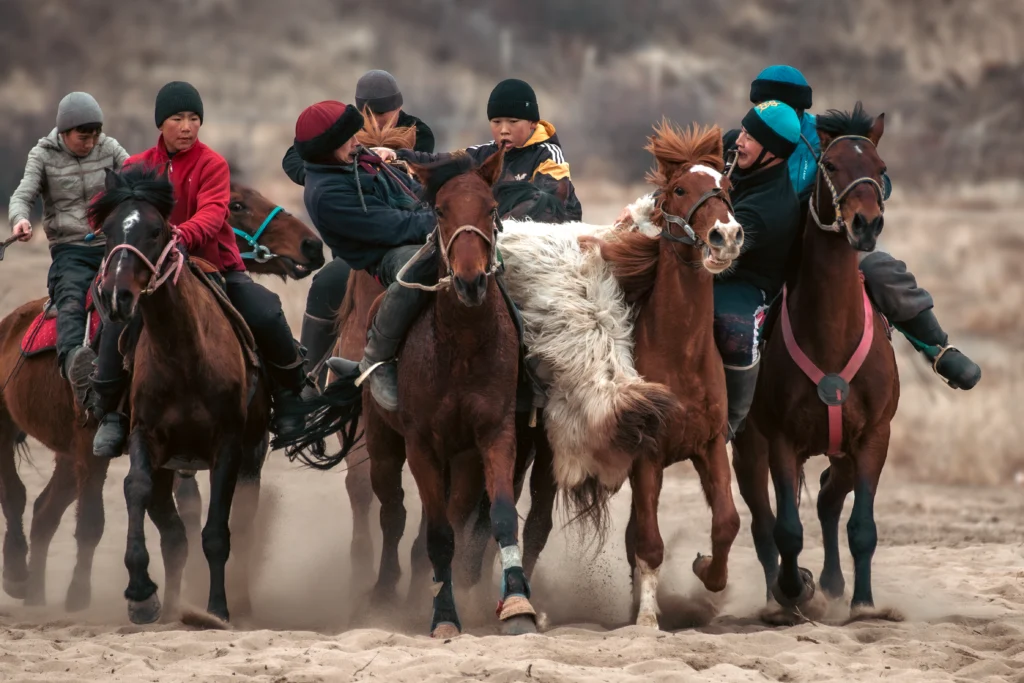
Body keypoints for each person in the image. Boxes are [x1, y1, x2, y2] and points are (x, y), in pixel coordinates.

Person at [90, 81, 306, 457]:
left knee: (267, 310)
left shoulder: (212, 164)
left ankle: (288, 398)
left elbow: (212, 213)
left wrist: (179, 235)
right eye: (177, 118)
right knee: (113, 323)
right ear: (161, 124)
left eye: (194, 118)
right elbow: (111, 210)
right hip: (151, 273)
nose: (187, 126)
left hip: (213, 266)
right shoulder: (136, 167)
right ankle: (111, 413)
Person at [748, 65, 980, 391]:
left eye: (774, 106)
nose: (766, 113)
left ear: (798, 108)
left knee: (884, 268)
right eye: (761, 107)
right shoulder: (747, 139)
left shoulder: (829, 137)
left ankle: (939, 349)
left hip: (831, 244)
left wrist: (865, 193)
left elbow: (876, 179)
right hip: (769, 247)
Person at [281, 70, 436, 398]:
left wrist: (396, 159)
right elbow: (294, 159)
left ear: (398, 108)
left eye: (383, 113)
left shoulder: (416, 131)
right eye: (370, 114)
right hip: (373, 240)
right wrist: (322, 169)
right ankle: (312, 376)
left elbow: (425, 172)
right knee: (328, 282)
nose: (376, 122)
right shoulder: (342, 149)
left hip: (408, 219)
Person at [8, 92, 129, 410]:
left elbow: (135, 175)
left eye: (94, 136)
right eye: (82, 137)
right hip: (70, 250)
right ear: (63, 133)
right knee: (71, 298)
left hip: (110, 245)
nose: (90, 143)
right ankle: (74, 361)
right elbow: (23, 194)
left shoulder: (110, 148)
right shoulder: (42, 155)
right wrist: (20, 219)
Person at [715, 100, 804, 440]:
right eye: (745, 130)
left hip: (742, 280)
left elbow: (717, 255)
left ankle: (730, 422)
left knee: (734, 329)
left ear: (775, 153)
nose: (739, 141)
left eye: (751, 138)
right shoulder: (732, 149)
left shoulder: (772, 209)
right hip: (700, 259)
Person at [382, 78, 583, 221]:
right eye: (496, 122)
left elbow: (548, 202)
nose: (504, 130)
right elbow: (438, 162)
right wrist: (396, 155)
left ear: (532, 123)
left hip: (549, 245)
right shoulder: (482, 154)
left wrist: (496, 222)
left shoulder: (548, 154)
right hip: (500, 237)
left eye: (513, 122)